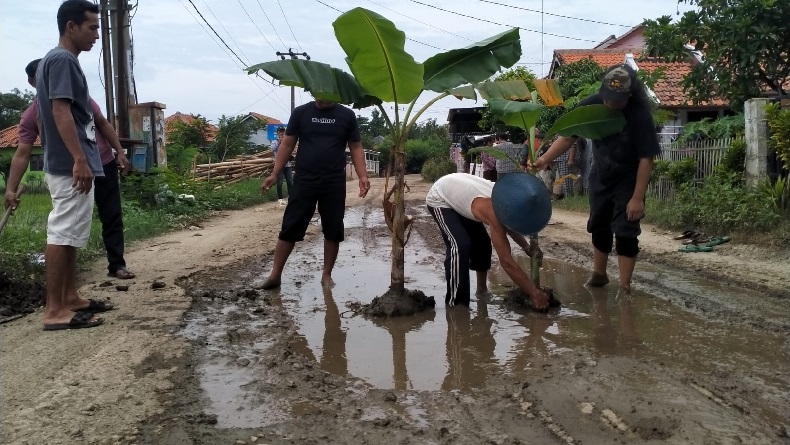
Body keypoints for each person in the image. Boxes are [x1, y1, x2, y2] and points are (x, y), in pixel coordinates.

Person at [4, 0, 110, 330]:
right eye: (92, 27)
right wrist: (79, 158)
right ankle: (54, 310)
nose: (97, 35)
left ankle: (69, 297)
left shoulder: (57, 60)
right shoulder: (62, 60)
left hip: (70, 162)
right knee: (62, 233)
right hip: (69, 164)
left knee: (71, 232)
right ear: (71, 27)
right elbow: (61, 112)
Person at [531, 64, 660, 294]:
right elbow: (569, 136)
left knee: (625, 230)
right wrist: (544, 158)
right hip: (600, 174)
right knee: (599, 224)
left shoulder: (639, 115)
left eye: (616, 101)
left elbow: (646, 158)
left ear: (629, 96)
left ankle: (624, 286)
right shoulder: (591, 104)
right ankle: (599, 275)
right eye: (607, 98)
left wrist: (637, 197)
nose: (609, 104)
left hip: (629, 179)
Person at [14, 58, 135, 280]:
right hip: (72, 172)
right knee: (70, 225)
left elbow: (102, 123)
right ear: (33, 83)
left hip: (103, 161)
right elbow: (23, 153)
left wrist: (119, 151)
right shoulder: (32, 115)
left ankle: (116, 264)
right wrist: (11, 189)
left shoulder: (81, 99)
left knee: (111, 215)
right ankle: (67, 279)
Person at [259, 98, 371, 289]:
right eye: (319, 92)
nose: (324, 97)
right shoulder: (301, 113)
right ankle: (275, 275)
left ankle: (326, 276)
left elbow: (355, 146)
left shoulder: (347, 115)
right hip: (304, 179)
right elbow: (287, 144)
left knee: (333, 228)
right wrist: (275, 173)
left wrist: (363, 175)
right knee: (291, 224)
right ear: (312, 90)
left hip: (334, 181)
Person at [425, 173, 549, 309]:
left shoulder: (508, 199)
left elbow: (509, 224)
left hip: (463, 196)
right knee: (460, 245)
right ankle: (456, 304)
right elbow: (506, 262)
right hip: (442, 197)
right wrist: (534, 293)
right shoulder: (494, 210)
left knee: (483, 244)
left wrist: (526, 247)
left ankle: (481, 290)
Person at [270, 126, 293, 206]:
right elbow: (273, 149)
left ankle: (291, 197)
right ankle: (280, 198)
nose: (282, 133)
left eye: (283, 131)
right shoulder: (274, 141)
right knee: (279, 182)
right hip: (279, 165)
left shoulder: (287, 141)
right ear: (277, 133)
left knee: (290, 181)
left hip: (287, 164)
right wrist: (279, 142)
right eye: (280, 132)